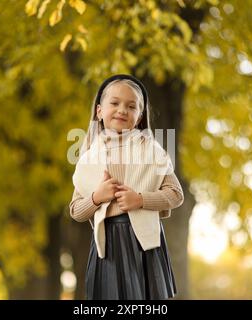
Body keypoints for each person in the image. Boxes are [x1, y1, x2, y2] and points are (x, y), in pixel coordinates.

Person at [69, 74, 184, 300]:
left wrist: (140, 200)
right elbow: (75, 210)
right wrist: (96, 198)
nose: (122, 110)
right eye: (115, 103)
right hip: (108, 245)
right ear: (99, 111)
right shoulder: (89, 158)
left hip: (144, 244)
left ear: (139, 117)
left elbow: (175, 194)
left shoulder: (152, 151)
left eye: (131, 106)